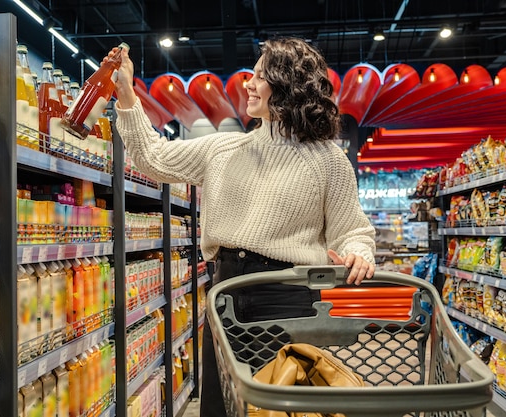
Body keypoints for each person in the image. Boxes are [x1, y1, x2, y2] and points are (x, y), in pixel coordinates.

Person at [110, 37, 376, 416]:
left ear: (287, 86)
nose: (247, 84)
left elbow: (352, 229)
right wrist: (125, 94)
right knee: (222, 403)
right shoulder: (223, 149)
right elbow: (153, 158)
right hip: (226, 292)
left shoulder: (328, 161)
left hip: (288, 296)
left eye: (259, 76)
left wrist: (358, 253)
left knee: (285, 406)